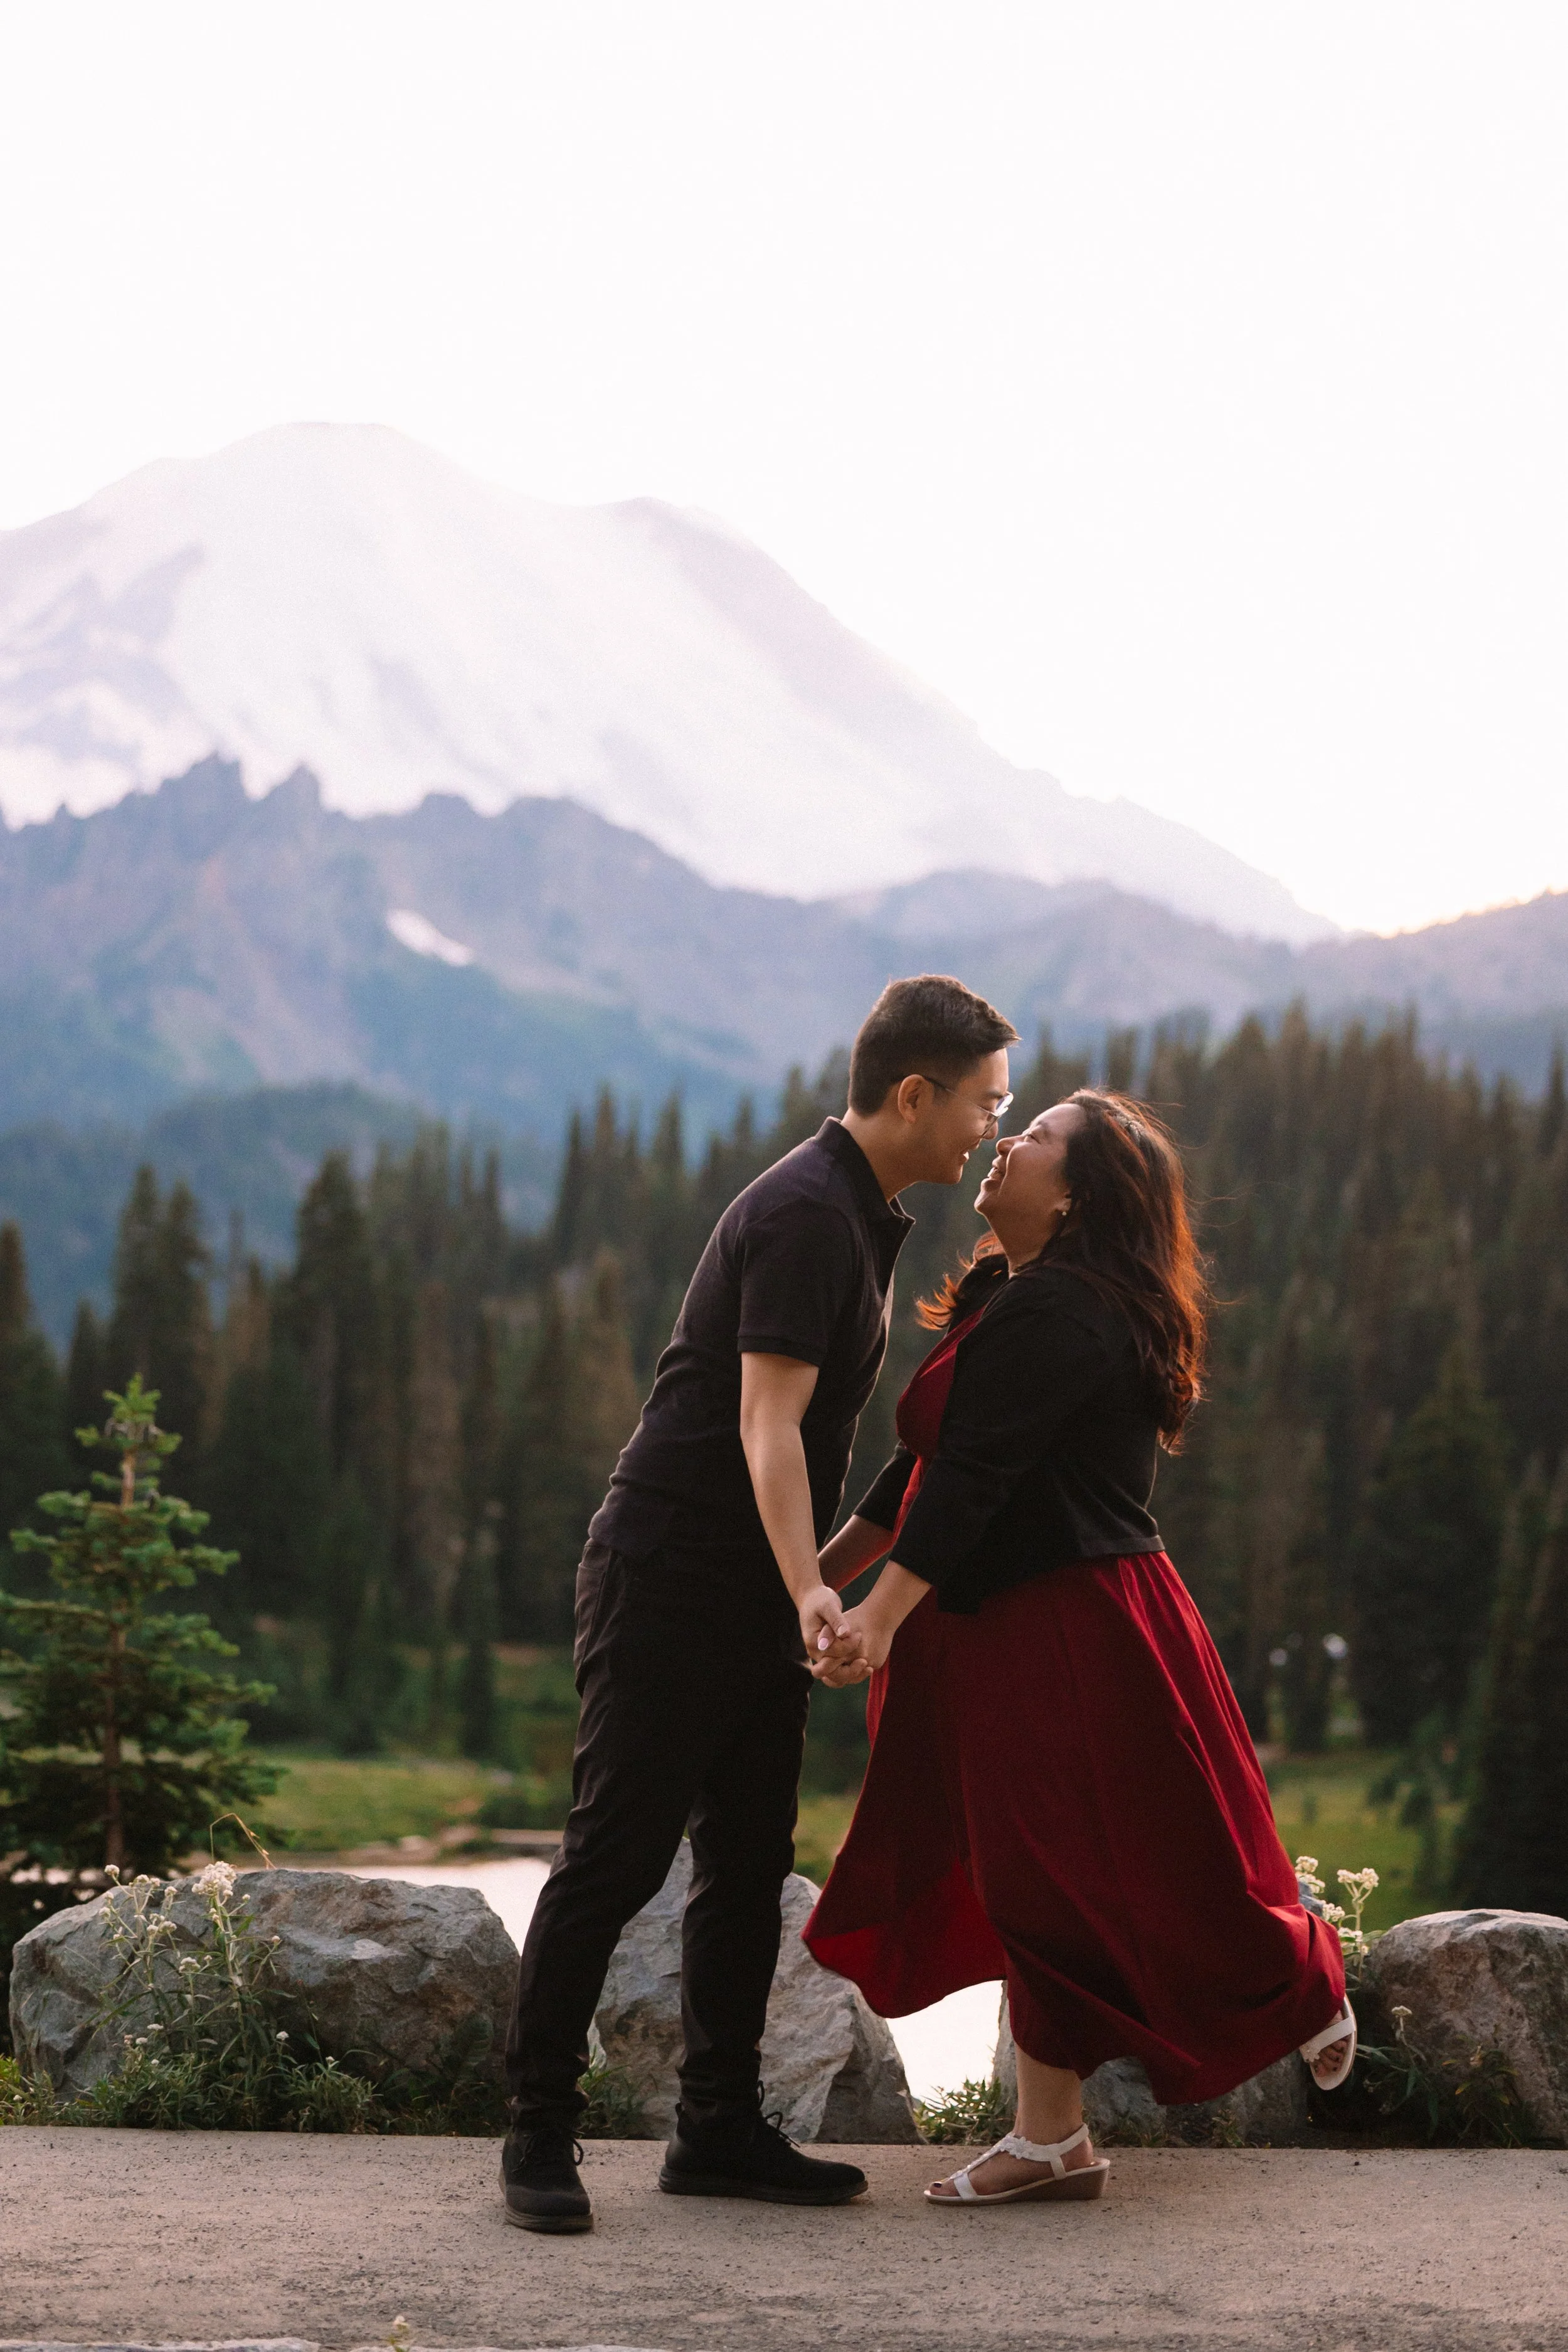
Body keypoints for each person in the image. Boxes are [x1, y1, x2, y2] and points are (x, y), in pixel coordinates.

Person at [501, 974, 1020, 2232]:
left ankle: (717, 2132)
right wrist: (808, 1587)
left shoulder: (858, 1209)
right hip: (671, 1573)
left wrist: (812, 1583)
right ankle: (534, 2140)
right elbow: (765, 1420)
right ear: (912, 1093)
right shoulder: (803, 1214)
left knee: (742, 1864)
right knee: (614, 1855)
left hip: (744, 1590)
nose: (988, 1130)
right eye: (981, 1104)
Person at [803, 1088, 1353, 2208]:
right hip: (998, 1618)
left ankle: (1295, 1975)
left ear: (1081, 1194)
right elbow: (922, 1471)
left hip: (1070, 1620)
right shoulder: (1015, 1293)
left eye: (1039, 1135)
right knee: (1028, 1874)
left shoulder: (1069, 1310)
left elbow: (973, 1484)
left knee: (1117, 1856)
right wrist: (819, 1575)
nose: (1008, 1141)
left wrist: (879, 1618)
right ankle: (1052, 2137)